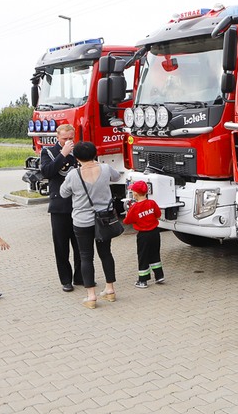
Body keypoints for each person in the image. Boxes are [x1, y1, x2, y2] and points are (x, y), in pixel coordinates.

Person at [60, 142, 121, 309]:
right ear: (95, 153)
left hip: (82, 221)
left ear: (76, 157)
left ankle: (91, 296)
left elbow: (63, 193)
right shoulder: (106, 168)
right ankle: (110, 290)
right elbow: (116, 177)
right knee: (106, 253)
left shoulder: (73, 174)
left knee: (86, 256)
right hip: (104, 220)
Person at [40, 123, 83, 292]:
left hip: (78, 205)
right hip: (59, 206)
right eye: (65, 139)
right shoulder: (48, 152)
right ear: (58, 138)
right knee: (61, 246)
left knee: (80, 245)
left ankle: (80, 276)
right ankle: (66, 279)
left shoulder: (79, 151)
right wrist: (63, 154)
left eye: (71, 138)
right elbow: (47, 172)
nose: (68, 141)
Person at [123, 180, 165, 288]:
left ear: (135, 194)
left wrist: (128, 212)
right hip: (155, 233)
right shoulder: (152, 203)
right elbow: (158, 215)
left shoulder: (135, 207)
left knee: (143, 256)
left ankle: (143, 280)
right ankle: (159, 276)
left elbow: (127, 221)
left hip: (143, 235)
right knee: (155, 253)